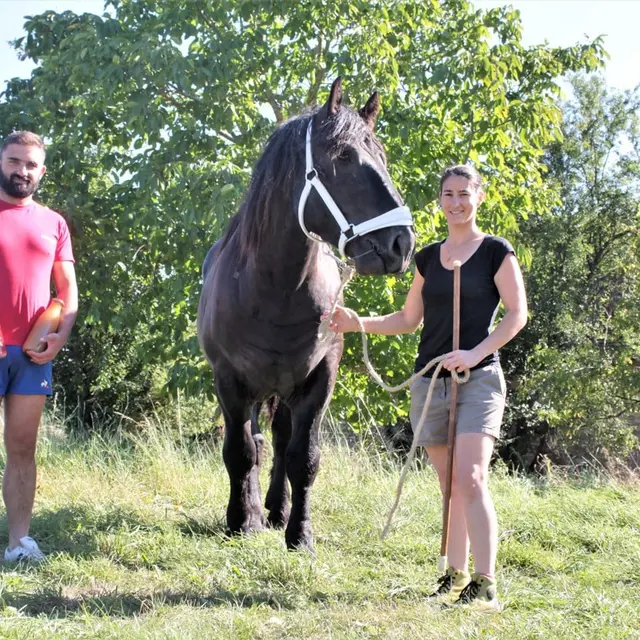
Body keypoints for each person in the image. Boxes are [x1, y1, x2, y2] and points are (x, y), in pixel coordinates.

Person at [325, 164, 527, 611]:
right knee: (449, 484)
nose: (456, 202)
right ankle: (453, 576)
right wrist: (355, 322)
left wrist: (474, 354)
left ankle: (485, 583)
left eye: (464, 193)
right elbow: (407, 319)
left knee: (472, 477)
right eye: (448, 194)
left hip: (480, 379)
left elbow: (517, 314)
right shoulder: (428, 259)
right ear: (440, 200)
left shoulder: (496, 251)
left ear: (479, 197)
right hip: (430, 380)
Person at [0, 131, 78, 562]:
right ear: (1, 161)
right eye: (14, 161)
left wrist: (59, 337)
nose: (22, 170)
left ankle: (18, 543)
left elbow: (67, 289)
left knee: (23, 449)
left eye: (31, 165)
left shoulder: (54, 223)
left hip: (32, 355)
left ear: (41, 171)